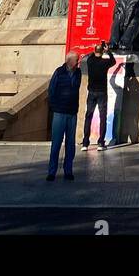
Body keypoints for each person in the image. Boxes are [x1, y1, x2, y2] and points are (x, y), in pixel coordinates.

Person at [46, 50, 82, 182]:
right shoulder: (59, 72)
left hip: (72, 112)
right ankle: (52, 172)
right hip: (60, 112)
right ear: (69, 61)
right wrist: (54, 106)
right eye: (76, 60)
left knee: (70, 144)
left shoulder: (78, 73)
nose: (78, 62)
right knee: (56, 143)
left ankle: (68, 170)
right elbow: (51, 90)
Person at [81, 41, 116, 150]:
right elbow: (113, 61)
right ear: (102, 52)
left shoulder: (90, 61)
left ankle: (85, 143)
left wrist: (96, 49)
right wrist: (108, 51)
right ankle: (101, 142)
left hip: (91, 92)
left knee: (88, 116)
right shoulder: (104, 62)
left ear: (94, 51)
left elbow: (90, 55)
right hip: (102, 92)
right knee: (102, 117)